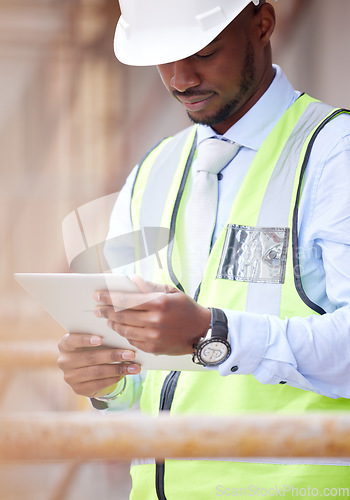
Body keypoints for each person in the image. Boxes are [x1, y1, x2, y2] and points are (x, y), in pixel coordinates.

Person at [58, 0, 350, 498]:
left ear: (262, 24)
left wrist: (213, 333)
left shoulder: (333, 155)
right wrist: (107, 382)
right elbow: (143, 379)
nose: (180, 79)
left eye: (202, 52)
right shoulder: (152, 170)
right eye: (163, 59)